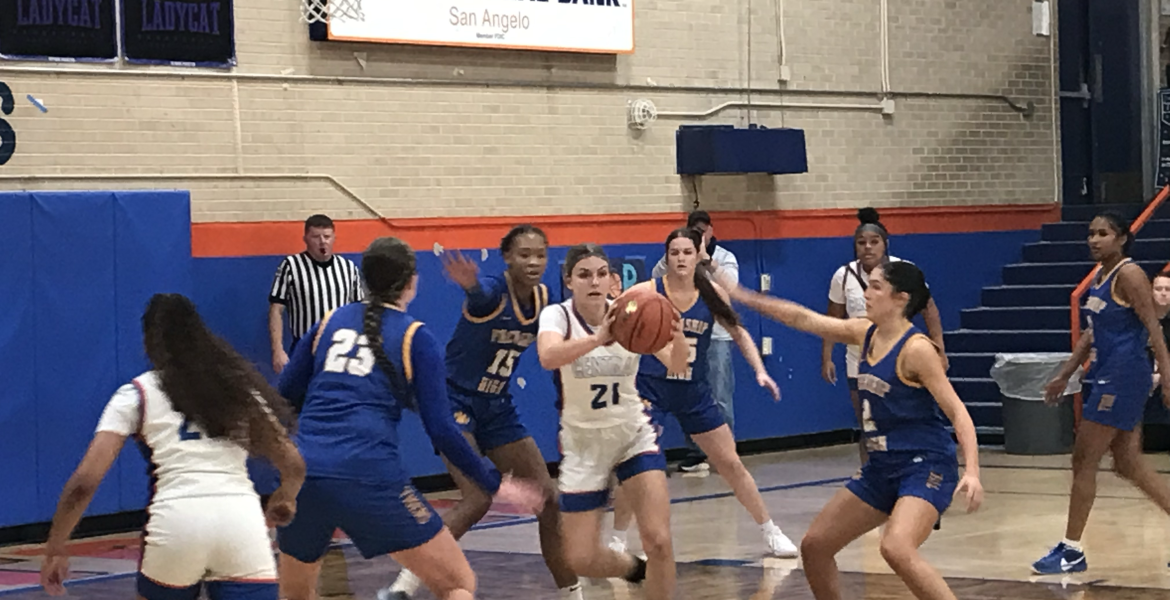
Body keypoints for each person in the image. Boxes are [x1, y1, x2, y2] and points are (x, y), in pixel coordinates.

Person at [276, 236, 544, 600]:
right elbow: (443, 430)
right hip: (370, 473)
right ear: (411, 281)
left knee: (295, 594)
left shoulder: (329, 322)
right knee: (457, 584)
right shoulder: (415, 336)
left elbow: (284, 395)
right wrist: (494, 483)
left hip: (305, 471)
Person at [719, 261, 983, 600]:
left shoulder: (917, 349)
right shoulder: (865, 331)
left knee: (896, 547)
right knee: (815, 546)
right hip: (881, 467)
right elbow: (803, 319)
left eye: (875, 287)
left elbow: (959, 413)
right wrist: (744, 296)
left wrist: (972, 471)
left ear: (900, 299)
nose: (866, 293)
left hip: (925, 465)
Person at [40, 294, 306, 600]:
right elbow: (294, 464)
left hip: (177, 522)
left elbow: (85, 481)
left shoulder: (137, 393)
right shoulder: (239, 388)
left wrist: (56, 546)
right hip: (241, 523)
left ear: (148, 343)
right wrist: (285, 497)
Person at [380, 226, 580, 600]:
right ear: (507, 257)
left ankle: (573, 593)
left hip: (497, 405)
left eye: (540, 254)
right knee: (477, 497)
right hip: (454, 401)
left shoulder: (545, 300)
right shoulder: (492, 291)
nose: (533, 262)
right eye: (524, 254)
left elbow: (555, 351)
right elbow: (482, 298)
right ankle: (404, 585)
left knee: (550, 499)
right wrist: (471, 286)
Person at [612, 227, 799, 558]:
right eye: (674, 252)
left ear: (698, 255)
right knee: (635, 465)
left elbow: (739, 333)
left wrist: (760, 370)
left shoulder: (712, 293)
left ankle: (771, 531)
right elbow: (618, 316)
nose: (681, 258)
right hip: (651, 387)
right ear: (666, 257)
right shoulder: (648, 291)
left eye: (687, 252)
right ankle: (617, 539)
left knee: (731, 463)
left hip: (693, 389)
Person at [537, 243, 683, 600]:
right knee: (581, 558)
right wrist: (597, 339)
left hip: (632, 435)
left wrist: (676, 335)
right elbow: (548, 356)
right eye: (584, 274)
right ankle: (635, 569)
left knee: (659, 539)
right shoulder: (558, 315)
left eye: (601, 274)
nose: (594, 281)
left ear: (611, 279)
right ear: (569, 280)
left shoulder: (629, 314)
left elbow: (678, 365)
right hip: (583, 444)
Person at [1032, 212, 1170, 575]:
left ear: (1121, 238)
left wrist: (1168, 377)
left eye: (1103, 233)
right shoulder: (1098, 276)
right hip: (1108, 374)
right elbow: (1092, 333)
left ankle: (1071, 550)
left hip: (1124, 376)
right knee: (1128, 463)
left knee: (1083, 459)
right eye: (1091, 233)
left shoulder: (1130, 274)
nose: (1094, 239)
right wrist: (1065, 374)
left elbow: (1154, 328)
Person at [823, 208, 947, 464]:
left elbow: (929, 309)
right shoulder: (843, 276)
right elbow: (832, 318)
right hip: (858, 358)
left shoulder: (904, 271)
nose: (868, 247)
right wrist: (827, 356)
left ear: (885, 244)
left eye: (874, 241)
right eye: (861, 243)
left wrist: (940, 348)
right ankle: (870, 472)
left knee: (901, 418)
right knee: (867, 423)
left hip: (897, 356)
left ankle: (912, 465)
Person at [651, 210, 739, 473]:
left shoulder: (725, 257)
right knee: (687, 395)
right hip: (684, 336)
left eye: (703, 230)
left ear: (711, 231)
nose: (700, 234)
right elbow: (656, 276)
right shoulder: (677, 255)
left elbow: (732, 287)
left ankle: (724, 454)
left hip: (717, 336)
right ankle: (696, 452)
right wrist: (679, 257)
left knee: (719, 396)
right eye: (695, 230)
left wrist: (706, 260)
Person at [269, 214, 364, 376]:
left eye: (327, 236)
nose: (322, 242)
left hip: (340, 348)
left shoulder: (348, 268)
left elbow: (359, 310)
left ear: (334, 238)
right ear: (305, 239)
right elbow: (276, 309)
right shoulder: (291, 266)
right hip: (304, 346)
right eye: (315, 237)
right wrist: (277, 350)